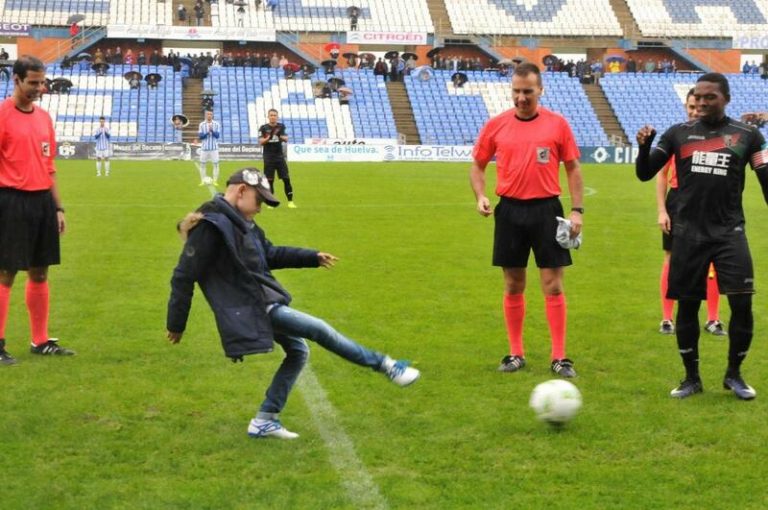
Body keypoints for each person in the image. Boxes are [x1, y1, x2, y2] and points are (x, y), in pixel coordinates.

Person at [166, 168, 420, 438]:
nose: (260, 209)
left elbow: (270, 254)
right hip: (252, 306)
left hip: (260, 301)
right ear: (241, 191)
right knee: (319, 329)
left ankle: (265, 419)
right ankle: (387, 366)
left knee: (299, 351)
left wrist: (311, 257)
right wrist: (176, 323)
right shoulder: (211, 227)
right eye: (259, 200)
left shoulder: (244, 224)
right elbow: (183, 275)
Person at [635, 73, 768, 400]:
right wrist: (644, 147)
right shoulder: (679, 134)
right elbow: (645, 172)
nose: (703, 101)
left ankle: (734, 375)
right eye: (699, 96)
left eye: (711, 96)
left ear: (726, 98)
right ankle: (691, 378)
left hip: (729, 232)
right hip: (688, 234)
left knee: (741, 303)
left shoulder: (748, 136)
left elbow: (765, 177)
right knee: (688, 306)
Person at [469, 62, 583, 378]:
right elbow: (477, 166)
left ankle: (560, 357)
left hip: (548, 211)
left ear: (540, 90)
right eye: (516, 91)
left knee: (553, 284)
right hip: (509, 211)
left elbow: (573, 168)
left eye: (527, 92)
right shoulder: (496, 125)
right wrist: (480, 195)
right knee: (513, 283)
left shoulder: (557, 125)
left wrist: (577, 211)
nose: (521, 98)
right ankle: (515, 353)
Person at [0, 56, 75, 365]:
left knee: (40, 271)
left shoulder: (44, 118)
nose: (40, 88)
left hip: (42, 201)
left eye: (42, 82)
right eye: (33, 82)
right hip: (11, 200)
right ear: (16, 80)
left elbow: (50, 167)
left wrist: (58, 207)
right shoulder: (2, 115)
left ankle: (40, 341)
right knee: (6, 273)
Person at [656, 88, 724, 336]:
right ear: (686, 107)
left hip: (709, 206)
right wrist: (662, 210)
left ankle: (713, 319)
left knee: (713, 262)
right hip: (678, 203)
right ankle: (666, 318)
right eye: (691, 107)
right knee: (672, 260)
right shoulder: (676, 136)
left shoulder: (720, 137)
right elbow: (661, 175)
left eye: (700, 107)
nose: (696, 112)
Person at [258, 109, 296, 208]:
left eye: (275, 115)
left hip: (279, 157)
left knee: (286, 179)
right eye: (271, 115)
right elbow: (261, 142)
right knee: (270, 181)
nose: (273, 117)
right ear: (268, 116)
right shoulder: (263, 128)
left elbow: (286, 139)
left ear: (277, 117)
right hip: (269, 157)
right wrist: (268, 137)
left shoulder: (281, 126)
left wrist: (279, 135)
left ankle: (290, 202)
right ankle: (271, 203)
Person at [197, 110, 220, 186]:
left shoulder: (216, 124)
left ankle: (215, 181)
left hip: (214, 148)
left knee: (216, 165)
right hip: (204, 148)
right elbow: (200, 137)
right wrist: (207, 132)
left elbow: (217, 136)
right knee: (202, 165)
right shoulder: (202, 124)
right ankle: (202, 181)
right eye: (208, 114)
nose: (209, 115)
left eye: (210, 114)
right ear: (206, 115)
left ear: (212, 115)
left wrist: (212, 131)